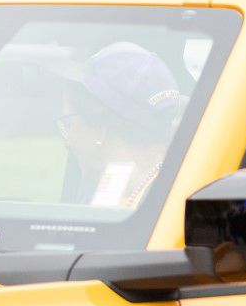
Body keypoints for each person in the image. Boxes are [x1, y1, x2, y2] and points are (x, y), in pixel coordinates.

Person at [57, 42, 184, 208]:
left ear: (100, 128)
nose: (68, 142)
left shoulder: (174, 207)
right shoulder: (109, 186)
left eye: (69, 125)